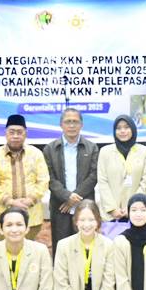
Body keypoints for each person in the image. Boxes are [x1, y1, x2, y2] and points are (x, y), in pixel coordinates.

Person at [52, 200, 116, 290]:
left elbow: (109, 284)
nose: (86, 224)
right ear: (76, 222)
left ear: (98, 221)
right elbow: (61, 285)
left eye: (91, 220)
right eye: (82, 220)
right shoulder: (64, 246)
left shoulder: (108, 245)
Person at [0, 114, 50, 241]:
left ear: (25, 134)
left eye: (19, 132)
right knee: (3, 254)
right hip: (2, 214)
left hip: (31, 214)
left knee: (28, 253)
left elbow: (43, 181)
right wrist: (11, 202)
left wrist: (29, 200)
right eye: (12, 132)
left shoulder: (36, 154)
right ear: (5, 133)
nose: (15, 136)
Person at [43, 108, 99, 252]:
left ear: (81, 125)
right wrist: (67, 196)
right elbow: (49, 178)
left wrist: (73, 198)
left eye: (75, 122)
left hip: (85, 207)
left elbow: (94, 176)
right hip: (60, 207)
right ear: (61, 125)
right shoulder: (50, 149)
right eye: (68, 122)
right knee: (62, 248)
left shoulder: (92, 148)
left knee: (86, 247)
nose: (72, 125)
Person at [96, 115, 146, 222]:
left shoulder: (144, 151)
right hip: (111, 214)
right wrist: (112, 208)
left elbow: (145, 182)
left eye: (126, 127)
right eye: (119, 128)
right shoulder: (105, 151)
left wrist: (133, 206)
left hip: (136, 213)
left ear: (133, 129)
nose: (122, 131)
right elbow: (102, 181)